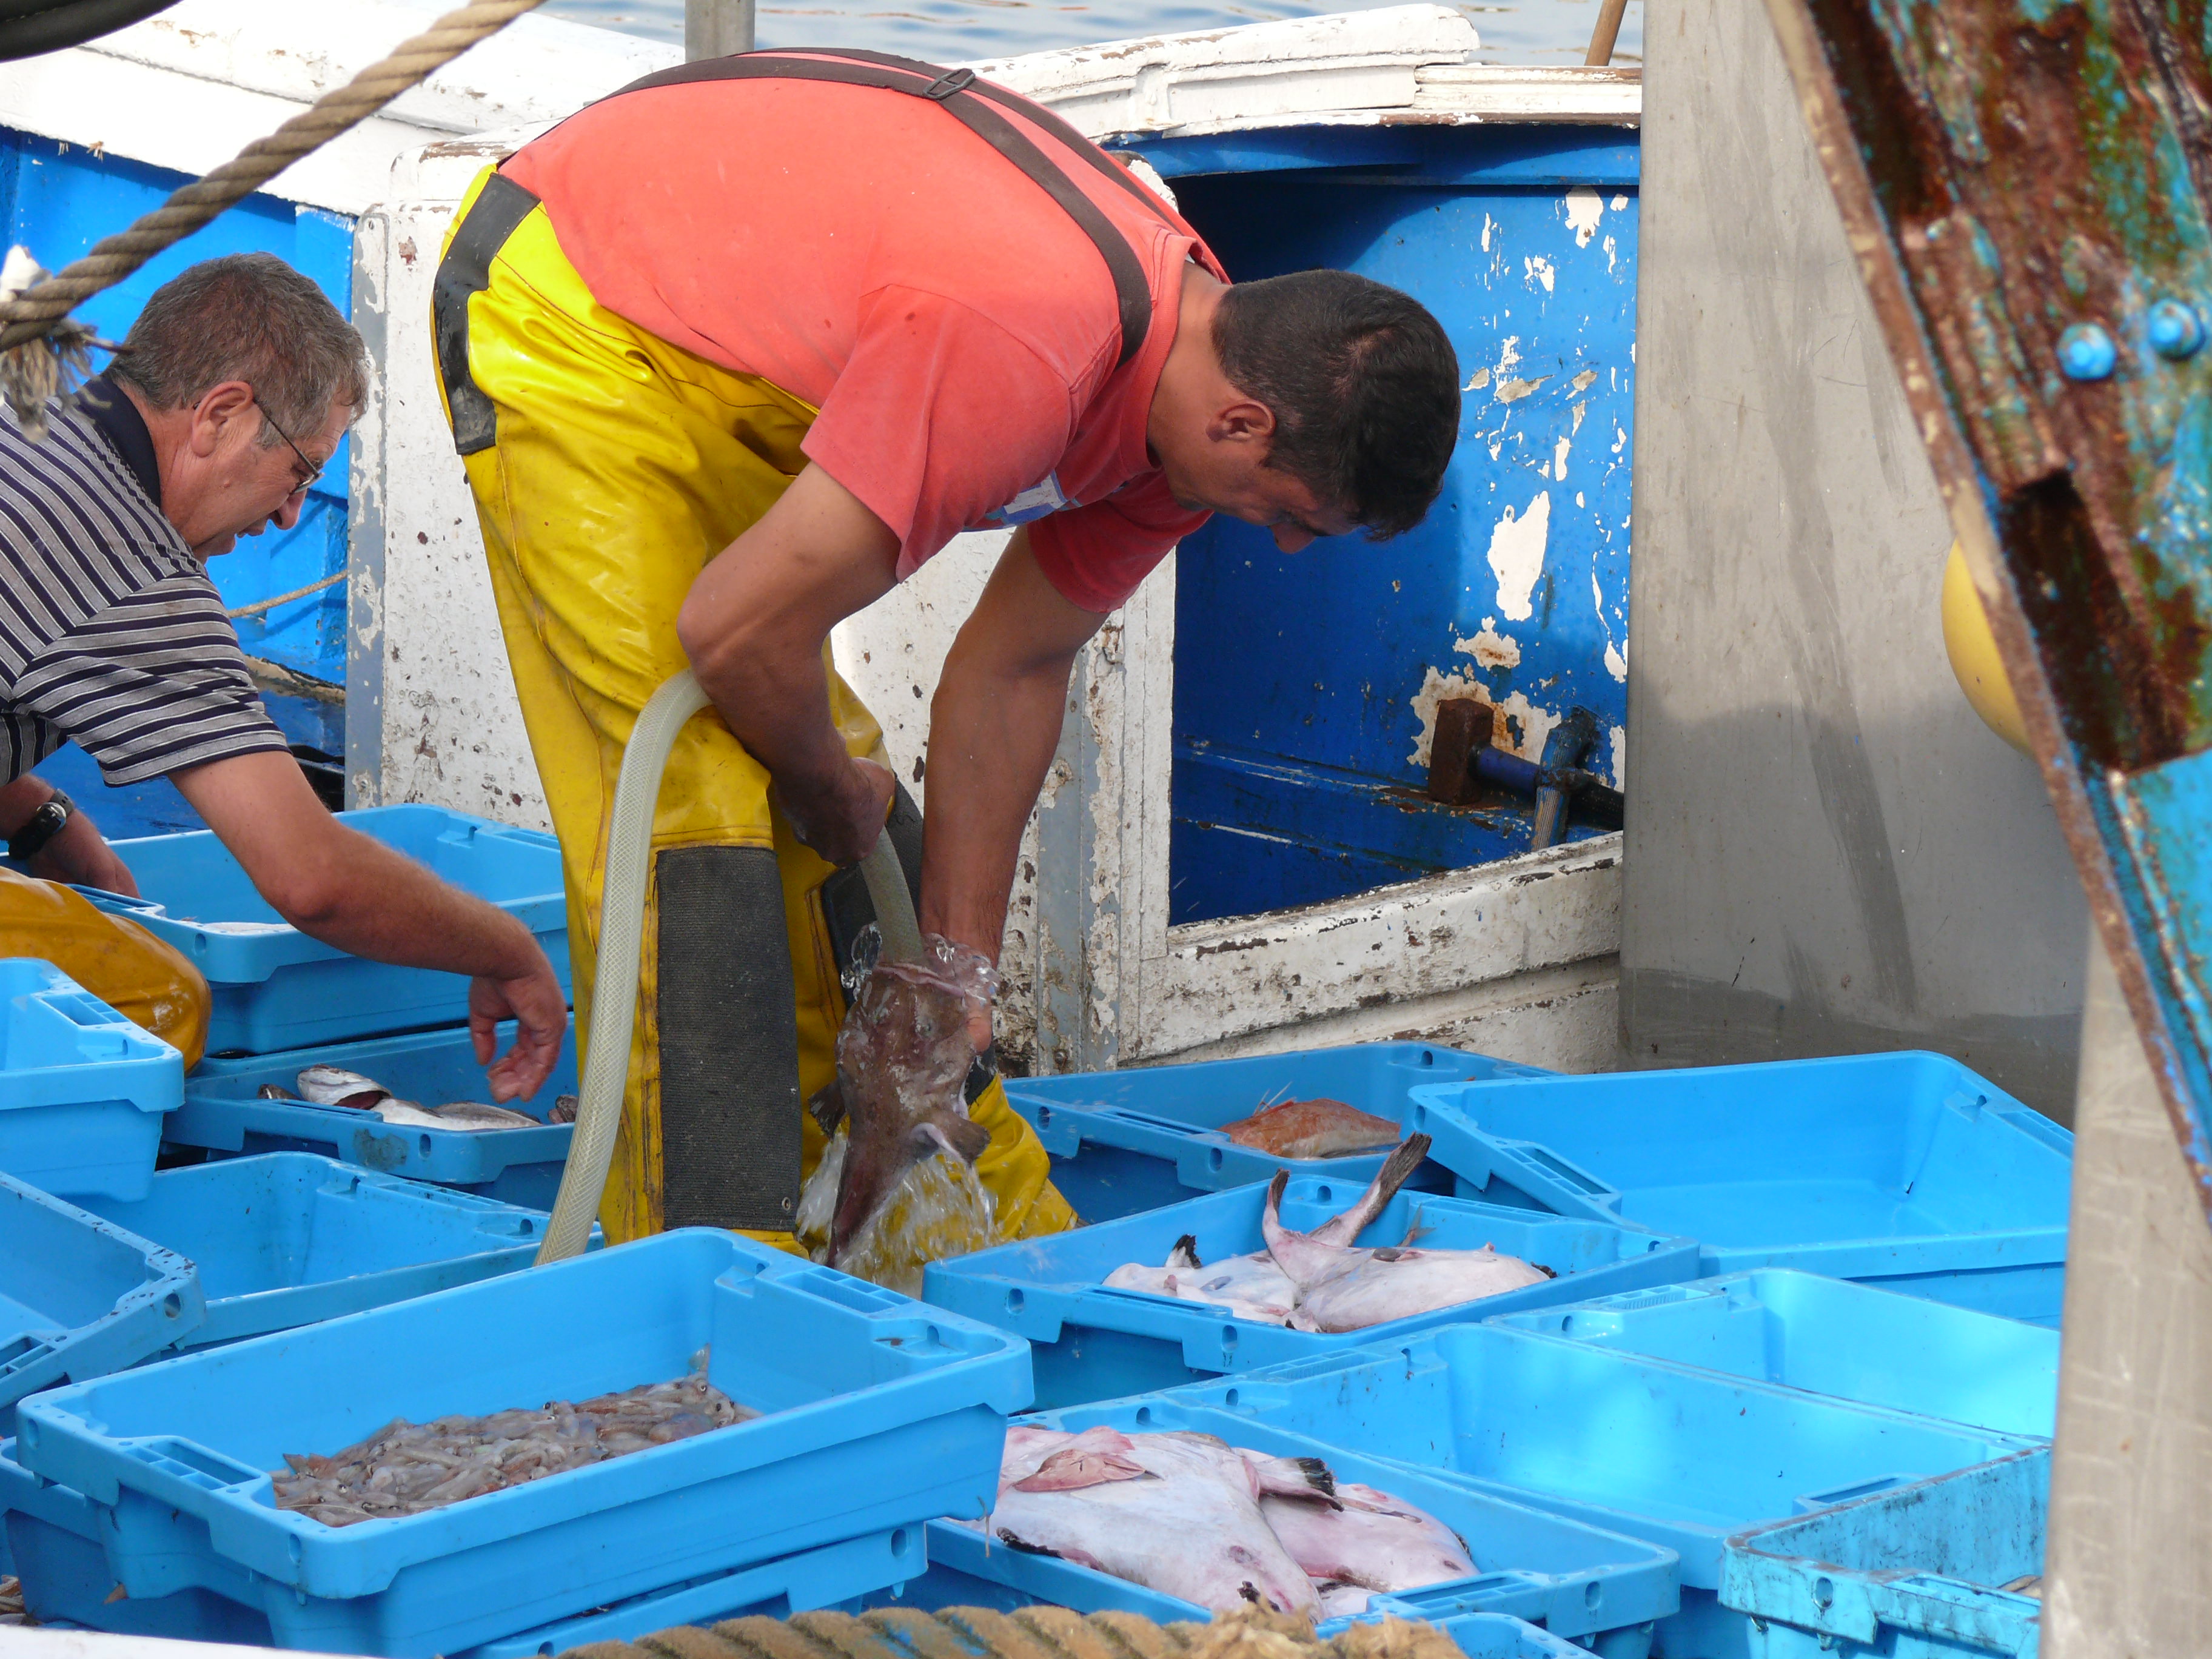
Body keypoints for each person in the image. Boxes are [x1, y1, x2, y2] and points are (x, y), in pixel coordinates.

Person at [433, 49, 1463, 1250]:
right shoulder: (1026, 340)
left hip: (733, 352)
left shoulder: (1197, 415)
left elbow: (1012, 668)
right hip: (575, 300)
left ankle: (930, 1226)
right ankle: (707, 1275)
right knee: (701, 819)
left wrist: (958, 974)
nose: (1280, 543)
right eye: (1293, 515)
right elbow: (734, 630)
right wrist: (822, 780)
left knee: (840, 805)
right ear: (1246, 423)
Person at [0, 253, 566, 1099]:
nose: (292, 513)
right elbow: (314, 880)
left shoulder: (29, 402)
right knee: (156, 1005)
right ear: (220, 415)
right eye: (300, 471)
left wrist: (44, 820)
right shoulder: (133, 572)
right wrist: (511, 952)